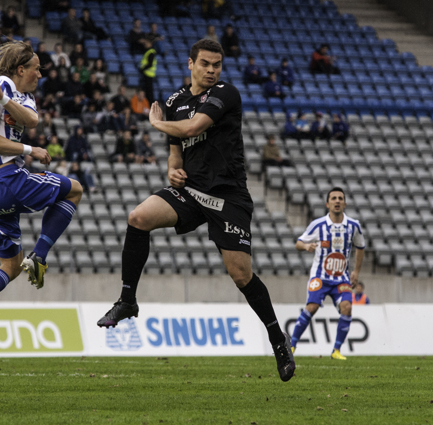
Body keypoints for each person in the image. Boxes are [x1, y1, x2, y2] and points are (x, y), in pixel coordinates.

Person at [96, 39, 295, 382]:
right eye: (205, 63)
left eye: (216, 64)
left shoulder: (226, 93)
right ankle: (128, 300)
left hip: (227, 196)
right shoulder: (173, 101)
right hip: (190, 190)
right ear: (191, 64)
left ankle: (277, 339)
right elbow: (177, 149)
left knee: (240, 275)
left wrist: (156, 124)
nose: (211, 70)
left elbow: (191, 128)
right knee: (138, 217)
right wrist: (172, 169)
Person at [0, 41, 83, 347]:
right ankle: (40, 257)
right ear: (20, 69)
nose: (40, 74)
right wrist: (29, 149)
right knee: (75, 190)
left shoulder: (20, 96)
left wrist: (5, 99)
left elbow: (31, 120)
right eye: (36, 68)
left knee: (10, 265)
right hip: (4, 179)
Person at [290, 187, 365, 360]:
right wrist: (306, 246)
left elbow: (360, 247)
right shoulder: (318, 225)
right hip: (320, 277)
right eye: (333, 198)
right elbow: (298, 243)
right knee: (312, 307)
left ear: (344, 203)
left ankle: (336, 351)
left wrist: (356, 271)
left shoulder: (353, 226)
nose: (337, 201)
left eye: (340, 198)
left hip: (342, 279)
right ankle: (292, 345)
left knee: (347, 307)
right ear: (327, 203)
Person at [139, 39, 157, 103]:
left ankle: (150, 104)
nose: (145, 45)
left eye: (146, 43)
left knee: (149, 92)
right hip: (147, 74)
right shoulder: (148, 51)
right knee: (147, 91)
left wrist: (142, 69)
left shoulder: (151, 52)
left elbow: (150, 64)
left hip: (148, 74)